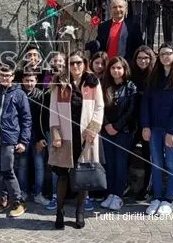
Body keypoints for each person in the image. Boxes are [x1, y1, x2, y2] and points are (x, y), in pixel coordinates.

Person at [49, 51, 104, 230]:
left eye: (79, 63)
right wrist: (55, 133)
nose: (75, 66)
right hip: (65, 135)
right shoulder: (59, 83)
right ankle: (59, 212)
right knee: (63, 176)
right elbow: (53, 109)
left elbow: (99, 106)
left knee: (84, 175)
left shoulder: (93, 82)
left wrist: (93, 129)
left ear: (85, 64)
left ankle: (80, 213)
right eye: (72, 63)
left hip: (85, 135)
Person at [141, 43, 173, 216]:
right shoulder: (154, 77)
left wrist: (172, 131)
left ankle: (168, 199)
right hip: (154, 127)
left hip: (172, 130)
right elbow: (145, 102)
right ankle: (156, 197)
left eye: (169, 53)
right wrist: (146, 125)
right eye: (162, 54)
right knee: (156, 162)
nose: (165, 57)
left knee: (171, 163)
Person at [0, 64, 31, 218]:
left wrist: (24, 140)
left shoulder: (19, 94)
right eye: (2, 75)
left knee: (7, 170)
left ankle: (18, 201)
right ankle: (3, 199)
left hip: (9, 138)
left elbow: (26, 118)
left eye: (8, 75)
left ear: (12, 77)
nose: (5, 78)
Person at [100, 57, 137, 211]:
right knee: (110, 162)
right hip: (107, 130)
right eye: (113, 68)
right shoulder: (104, 86)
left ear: (124, 69)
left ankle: (119, 195)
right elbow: (99, 107)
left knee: (120, 163)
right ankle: (110, 193)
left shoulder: (130, 87)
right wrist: (107, 124)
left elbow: (131, 110)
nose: (116, 71)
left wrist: (116, 126)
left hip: (124, 131)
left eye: (119, 68)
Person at [19, 67, 50, 206]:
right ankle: (23, 192)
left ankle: (38, 193)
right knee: (22, 165)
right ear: (22, 81)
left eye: (32, 80)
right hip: (22, 136)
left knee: (39, 166)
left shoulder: (41, 95)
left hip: (37, 136)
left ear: (36, 80)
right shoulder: (18, 94)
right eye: (27, 80)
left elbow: (43, 119)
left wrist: (41, 138)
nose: (29, 83)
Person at [131, 46, 156, 201]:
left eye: (146, 58)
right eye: (139, 58)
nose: (142, 61)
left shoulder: (155, 76)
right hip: (133, 122)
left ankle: (148, 188)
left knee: (149, 157)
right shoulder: (132, 75)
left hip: (149, 123)